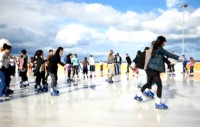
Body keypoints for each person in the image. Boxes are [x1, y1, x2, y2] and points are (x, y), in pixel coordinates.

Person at [134, 36, 183, 110]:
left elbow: (162, 57)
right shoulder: (159, 48)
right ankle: (158, 103)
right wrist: (179, 58)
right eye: (165, 41)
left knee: (148, 83)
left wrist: (168, 61)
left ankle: (138, 95)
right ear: (162, 41)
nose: (165, 43)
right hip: (154, 69)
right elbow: (168, 54)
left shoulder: (154, 48)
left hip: (149, 68)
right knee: (159, 86)